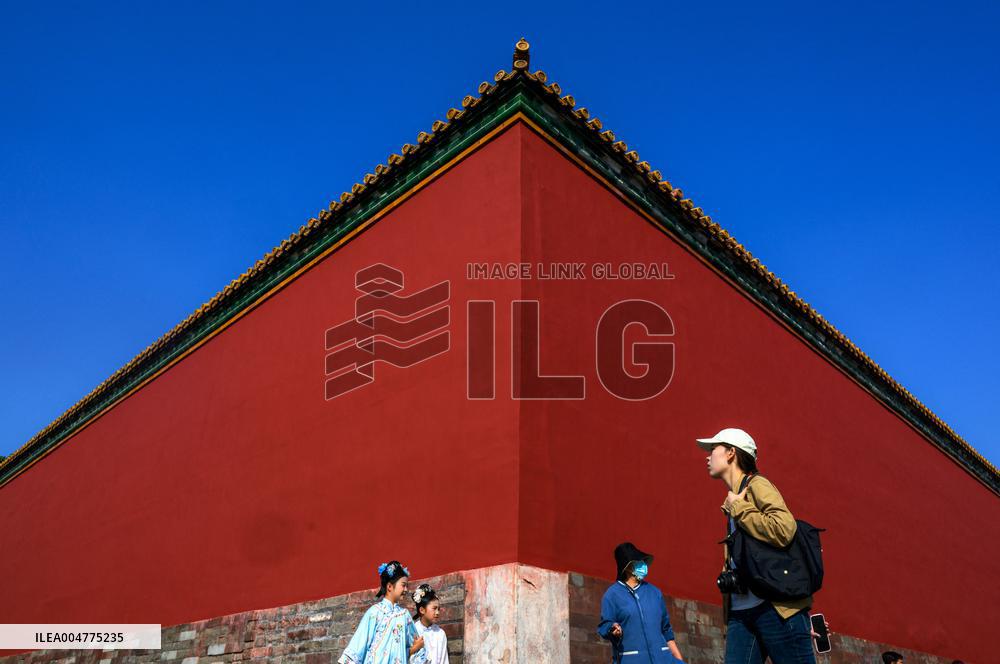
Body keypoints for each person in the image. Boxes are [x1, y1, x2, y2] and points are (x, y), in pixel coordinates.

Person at [697, 427, 815, 664]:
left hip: (775, 609)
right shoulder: (733, 498)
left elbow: (784, 528)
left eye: (713, 449)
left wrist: (739, 508)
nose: (707, 456)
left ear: (731, 453)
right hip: (742, 613)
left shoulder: (757, 485)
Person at [596, 542, 684, 663]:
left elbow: (666, 631)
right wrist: (612, 629)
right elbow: (604, 626)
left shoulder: (654, 593)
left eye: (642, 561)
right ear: (627, 567)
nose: (643, 564)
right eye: (638, 561)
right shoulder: (611, 595)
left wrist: (679, 660)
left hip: (663, 660)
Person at [339, 560, 424, 664]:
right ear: (389, 587)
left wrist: (415, 649)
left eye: (407, 586)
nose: (406, 589)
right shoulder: (374, 612)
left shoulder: (405, 615)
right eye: (403, 585)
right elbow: (359, 643)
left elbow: (414, 646)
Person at [409, 583, 449, 664]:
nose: (437, 612)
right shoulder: (412, 631)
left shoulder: (440, 633)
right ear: (422, 610)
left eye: (439, 609)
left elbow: (444, 660)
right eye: (434, 608)